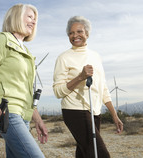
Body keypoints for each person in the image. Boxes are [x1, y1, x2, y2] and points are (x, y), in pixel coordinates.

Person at [0, 4, 48, 158]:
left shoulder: (26, 51)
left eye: (35, 19)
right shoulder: (3, 40)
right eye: (29, 17)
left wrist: (37, 119)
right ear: (16, 17)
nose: (34, 22)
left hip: (24, 116)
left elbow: (25, 92)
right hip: (8, 114)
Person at [53, 16, 123, 158]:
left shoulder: (96, 56)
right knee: (100, 154)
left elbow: (103, 88)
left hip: (95, 111)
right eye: (71, 33)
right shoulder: (63, 58)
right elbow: (58, 91)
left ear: (87, 34)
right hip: (74, 110)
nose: (75, 36)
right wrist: (80, 77)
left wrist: (114, 115)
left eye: (79, 32)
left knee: (85, 152)